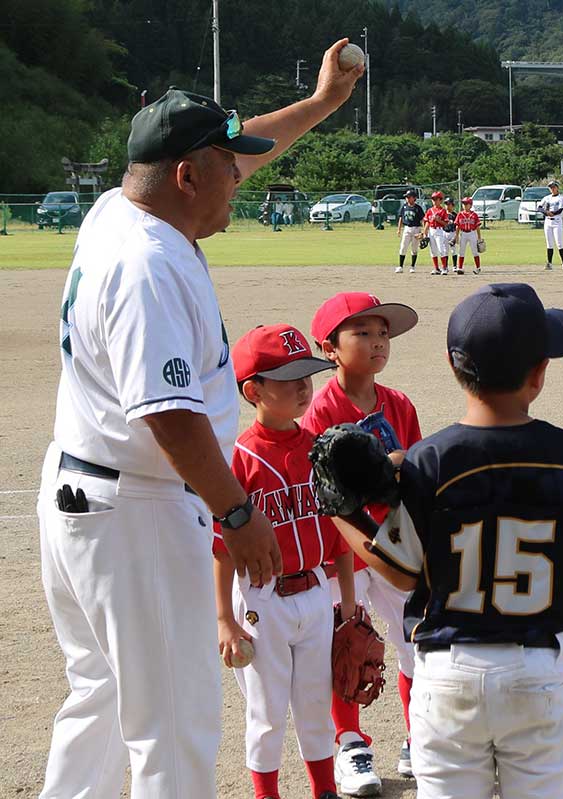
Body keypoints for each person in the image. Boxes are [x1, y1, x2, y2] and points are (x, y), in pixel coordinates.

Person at [36, 41, 360, 799]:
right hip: (137, 510)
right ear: (187, 175)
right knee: (175, 725)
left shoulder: (123, 208)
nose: (239, 181)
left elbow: (245, 154)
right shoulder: (148, 263)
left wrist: (320, 105)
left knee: (103, 698)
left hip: (89, 495)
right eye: (228, 167)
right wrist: (238, 511)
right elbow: (170, 414)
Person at [331, 282, 563, 799]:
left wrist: (340, 513)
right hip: (538, 668)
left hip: (449, 672)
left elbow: (401, 572)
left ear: (453, 365)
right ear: (538, 374)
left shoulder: (430, 459)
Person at [215, 324, 353, 799]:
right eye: (287, 377)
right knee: (267, 711)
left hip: (316, 591)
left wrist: (349, 604)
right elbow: (221, 547)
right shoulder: (239, 458)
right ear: (252, 390)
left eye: (306, 375)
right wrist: (225, 620)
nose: (302, 387)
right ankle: (267, 794)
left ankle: (324, 791)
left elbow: (339, 532)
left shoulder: (321, 447)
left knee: (315, 704)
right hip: (261, 598)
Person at [301, 291, 421, 794]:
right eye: (363, 333)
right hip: (341, 553)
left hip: (394, 544)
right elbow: (322, 495)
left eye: (383, 334)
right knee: (346, 648)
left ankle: (422, 737)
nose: (377, 343)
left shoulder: (399, 404)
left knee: (415, 643)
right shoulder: (319, 411)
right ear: (329, 347)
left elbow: (416, 472)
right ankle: (351, 742)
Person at [538, 180, 563, 270]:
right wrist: (546, 212)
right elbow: (539, 208)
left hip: (557, 221)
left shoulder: (561, 198)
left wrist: (553, 213)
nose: (552, 189)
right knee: (549, 243)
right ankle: (549, 264)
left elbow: (560, 210)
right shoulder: (547, 198)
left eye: (554, 187)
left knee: (559, 243)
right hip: (548, 222)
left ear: (557, 187)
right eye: (551, 187)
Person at [422, 190, 451, 275]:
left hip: (439, 230)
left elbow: (446, 224)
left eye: (436, 199)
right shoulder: (429, 210)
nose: (434, 201)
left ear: (440, 200)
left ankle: (444, 268)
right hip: (431, 230)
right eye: (433, 199)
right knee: (433, 251)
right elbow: (427, 222)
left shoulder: (443, 211)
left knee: (441, 250)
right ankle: (436, 268)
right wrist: (424, 233)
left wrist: (439, 220)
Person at [395, 188, 424, 274]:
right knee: (403, 247)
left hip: (416, 229)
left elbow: (423, 220)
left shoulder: (418, 208)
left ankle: (412, 266)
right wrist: (399, 229)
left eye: (409, 197)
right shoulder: (404, 207)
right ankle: (400, 266)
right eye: (406, 197)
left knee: (414, 249)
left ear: (414, 198)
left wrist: (422, 232)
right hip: (407, 228)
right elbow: (401, 218)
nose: (407, 198)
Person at [454, 196, 484, 274]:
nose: (464, 205)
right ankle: (460, 268)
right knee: (461, 251)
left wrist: (479, 238)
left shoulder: (474, 215)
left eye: (466, 204)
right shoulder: (460, 214)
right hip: (463, 233)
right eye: (463, 204)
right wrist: (456, 236)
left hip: (472, 233)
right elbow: (457, 226)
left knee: (475, 251)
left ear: (471, 205)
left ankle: (478, 268)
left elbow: (477, 227)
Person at [443, 197, 460, 273]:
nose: (447, 206)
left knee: (453, 251)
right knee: (445, 251)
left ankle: (454, 266)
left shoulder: (455, 215)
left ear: (452, 205)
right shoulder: (443, 214)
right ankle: (445, 266)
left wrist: (456, 236)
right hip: (444, 233)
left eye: (448, 204)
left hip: (452, 233)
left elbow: (457, 226)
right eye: (446, 204)